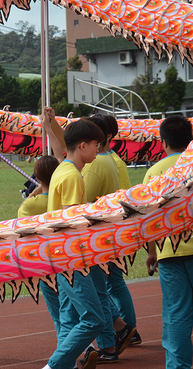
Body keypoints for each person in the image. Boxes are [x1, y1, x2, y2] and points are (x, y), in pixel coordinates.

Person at [144, 115, 193, 369]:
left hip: (168, 254)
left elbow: (148, 219)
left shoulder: (153, 173)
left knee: (176, 317)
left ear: (163, 143)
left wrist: (152, 252)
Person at [43, 118, 105, 369]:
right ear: (82, 146)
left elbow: (62, 149)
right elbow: (72, 223)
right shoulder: (72, 177)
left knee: (69, 321)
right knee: (94, 319)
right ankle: (53, 366)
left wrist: (50, 128)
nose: (98, 149)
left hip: (59, 256)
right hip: (70, 257)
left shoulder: (63, 169)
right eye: (95, 144)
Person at [79, 117, 136, 365]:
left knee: (99, 292)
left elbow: (81, 203)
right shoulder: (109, 161)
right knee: (104, 289)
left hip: (96, 239)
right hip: (108, 234)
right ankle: (121, 328)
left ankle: (107, 345)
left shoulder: (95, 165)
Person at [90, 114, 141, 346]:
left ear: (104, 136)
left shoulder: (106, 162)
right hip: (113, 229)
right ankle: (127, 330)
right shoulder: (109, 159)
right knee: (111, 283)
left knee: (107, 285)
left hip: (108, 231)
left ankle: (125, 329)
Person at [18, 108, 63, 342]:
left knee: (57, 313)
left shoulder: (30, 206)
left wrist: (33, 193)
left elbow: (20, 218)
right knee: (71, 307)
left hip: (44, 261)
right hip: (66, 257)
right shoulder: (63, 194)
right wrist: (49, 127)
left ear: (36, 176)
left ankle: (70, 351)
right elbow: (61, 158)